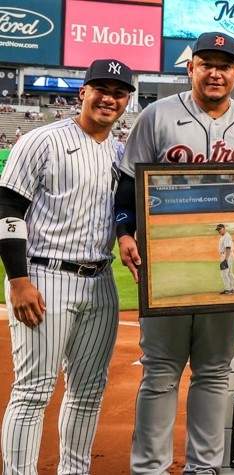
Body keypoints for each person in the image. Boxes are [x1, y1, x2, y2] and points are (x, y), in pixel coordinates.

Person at [114, 32, 234, 473]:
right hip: (165, 262)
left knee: (214, 371)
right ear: (190, 69)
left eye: (224, 65)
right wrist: (124, 231)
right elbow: (128, 181)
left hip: (229, 256)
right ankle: (149, 467)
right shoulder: (156, 115)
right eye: (206, 63)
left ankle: (204, 466)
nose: (215, 72)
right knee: (161, 372)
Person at [0, 58, 134, 474]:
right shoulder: (41, 141)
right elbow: (7, 207)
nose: (108, 99)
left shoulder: (121, 153)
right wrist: (18, 279)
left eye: (118, 92)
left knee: (89, 391)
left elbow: (126, 213)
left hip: (101, 280)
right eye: (101, 89)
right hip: (43, 275)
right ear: (83, 92)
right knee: (33, 391)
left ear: (127, 100)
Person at [216, 223, 234, 294]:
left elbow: (228, 248)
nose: (219, 231)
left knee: (224, 273)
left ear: (224, 228)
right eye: (218, 230)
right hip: (228, 255)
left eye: (220, 229)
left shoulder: (227, 236)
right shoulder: (224, 236)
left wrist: (225, 259)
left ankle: (228, 289)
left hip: (227, 256)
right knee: (229, 273)